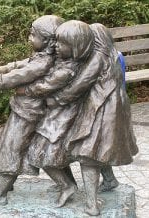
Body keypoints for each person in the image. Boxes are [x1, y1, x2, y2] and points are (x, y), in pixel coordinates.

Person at [25, 21, 137, 216]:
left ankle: (92, 205)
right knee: (101, 149)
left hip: (102, 111)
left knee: (89, 154)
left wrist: (55, 99)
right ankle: (110, 180)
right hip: (110, 109)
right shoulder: (110, 56)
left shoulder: (98, 58)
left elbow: (78, 86)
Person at [0, 15, 78, 205]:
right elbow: (23, 64)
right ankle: (62, 184)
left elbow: (19, 75)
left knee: (10, 149)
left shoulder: (43, 63)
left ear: (48, 41)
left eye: (33, 35)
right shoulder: (44, 57)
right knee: (8, 146)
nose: (29, 38)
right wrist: (1, 68)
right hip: (24, 110)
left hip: (28, 114)